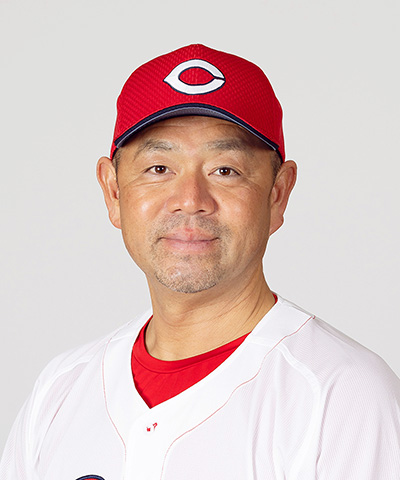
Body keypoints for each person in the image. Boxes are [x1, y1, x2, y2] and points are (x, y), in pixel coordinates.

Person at [1, 44, 399, 480]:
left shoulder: (343, 397)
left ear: (277, 194)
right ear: (113, 192)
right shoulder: (58, 392)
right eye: (158, 168)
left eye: (225, 170)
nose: (190, 200)